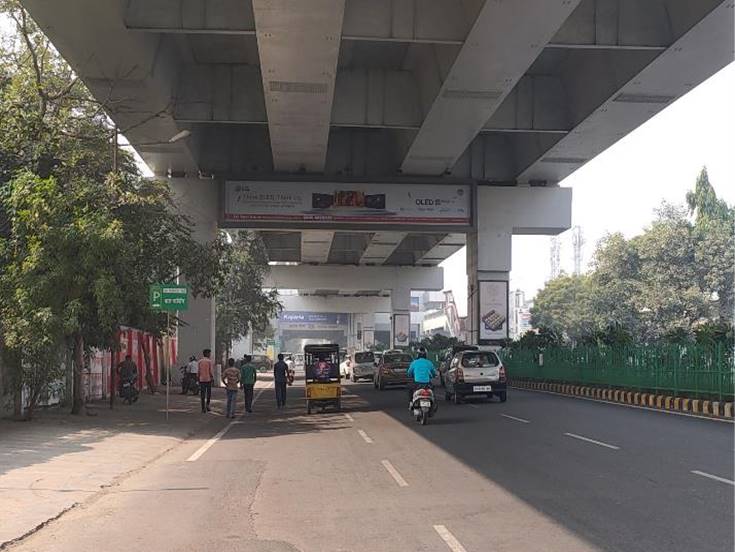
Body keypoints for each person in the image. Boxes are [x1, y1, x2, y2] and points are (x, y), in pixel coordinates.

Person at [198, 349, 214, 413]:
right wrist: (212, 377)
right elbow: (211, 371)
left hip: (201, 379)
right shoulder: (209, 361)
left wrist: (198, 377)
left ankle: (203, 408)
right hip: (208, 379)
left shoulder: (200, 361)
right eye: (209, 353)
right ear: (207, 354)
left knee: (202, 394)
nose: (210, 355)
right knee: (208, 393)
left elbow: (198, 371)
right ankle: (207, 405)